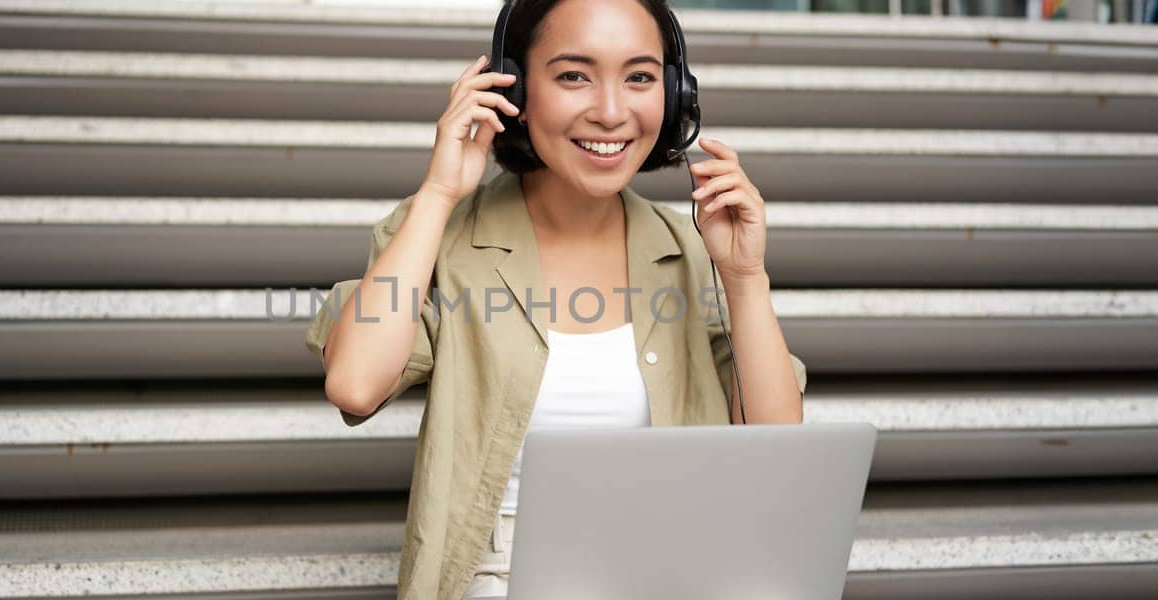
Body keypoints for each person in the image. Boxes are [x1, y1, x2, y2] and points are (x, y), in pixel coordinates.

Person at [304, 1, 807, 598]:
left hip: (673, 569)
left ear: (675, 94)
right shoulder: (442, 236)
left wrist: (745, 276)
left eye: (640, 77)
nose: (612, 111)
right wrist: (439, 192)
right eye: (574, 75)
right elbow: (355, 383)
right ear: (514, 90)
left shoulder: (687, 249)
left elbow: (777, 449)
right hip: (504, 575)